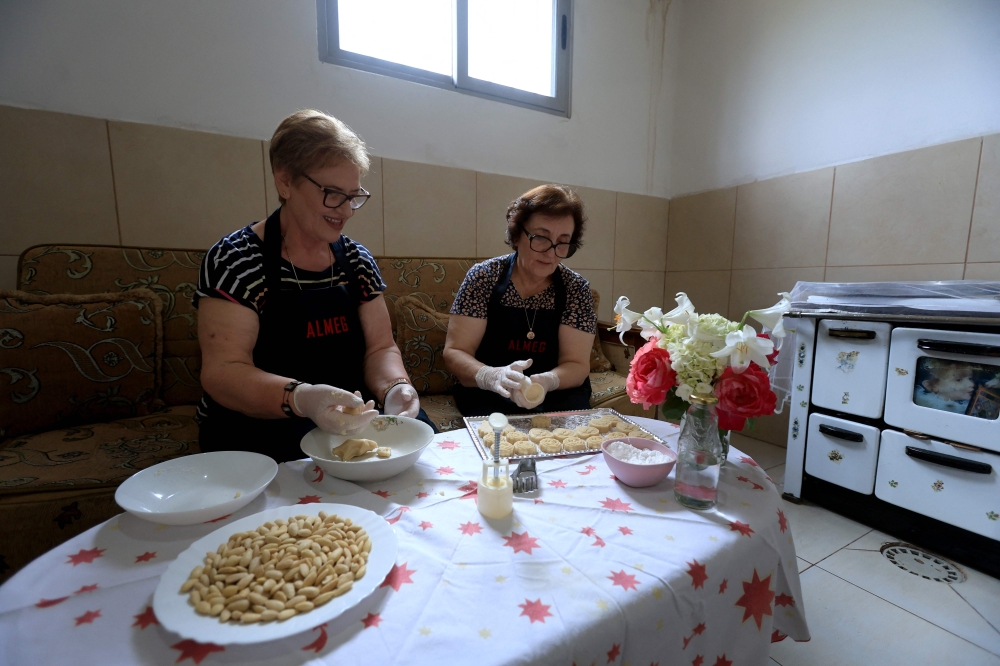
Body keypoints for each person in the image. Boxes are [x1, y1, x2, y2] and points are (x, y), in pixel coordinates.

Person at [195, 109, 427, 463]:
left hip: (348, 420)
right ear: (285, 181)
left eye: (353, 196)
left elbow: (380, 348)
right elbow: (224, 372)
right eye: (333, 194)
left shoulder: (356, 261)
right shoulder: (237, 259)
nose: (346, 210)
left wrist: (395, 387)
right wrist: (302, 398)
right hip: (260, 426)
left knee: (427, 460)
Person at [444, 184, 596, 415]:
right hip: (489, 393)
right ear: (517, 234)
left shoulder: (576, 289)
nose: (551, 252)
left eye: (562, 242)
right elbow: (455, 352)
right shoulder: (483, 277)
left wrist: (546, 381)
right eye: (541, 238)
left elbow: (576, 364)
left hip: (557, 395)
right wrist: (491, 376)